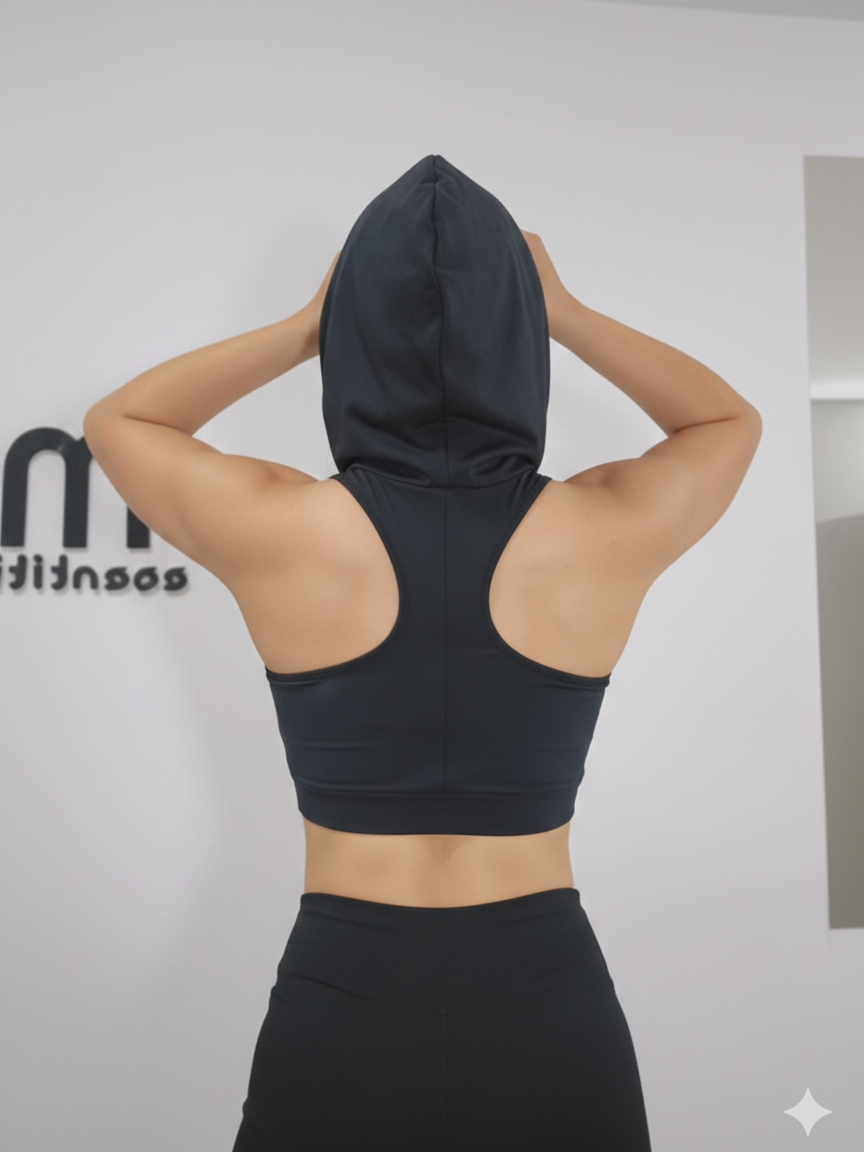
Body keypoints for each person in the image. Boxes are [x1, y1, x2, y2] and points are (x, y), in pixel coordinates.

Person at [84, 155, 761, 1150]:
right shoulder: (600, 528)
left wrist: (305, 327)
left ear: (353, 338)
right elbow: (725, 420)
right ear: (518, 335)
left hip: (346, 990)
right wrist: (564, 312)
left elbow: (121, 421)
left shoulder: (285, 527)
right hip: (546, 990)